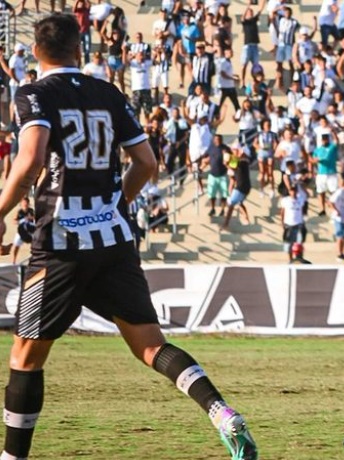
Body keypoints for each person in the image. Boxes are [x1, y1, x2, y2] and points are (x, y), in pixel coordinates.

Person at [0, 14, 257, 460]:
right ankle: (220, 412)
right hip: (114, 240)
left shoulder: (34, 94)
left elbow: (31, 159)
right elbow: (147, 163)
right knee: (151, 346)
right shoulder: (108, 92)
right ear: (80, 49)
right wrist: (115, 205)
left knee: (25, 356)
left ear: (36, 52)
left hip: (63, 242)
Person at [312, 132, 339, 216]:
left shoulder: (332, 147)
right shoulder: (318, 149)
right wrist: (316, 160)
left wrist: (333, 132)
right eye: (323, 140)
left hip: (331, 172)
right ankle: (322, 209)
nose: (324, 141)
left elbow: (336, 141)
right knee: (321, 191)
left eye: (326, 139)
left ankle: (334, 209)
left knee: (333, 191)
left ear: (328, 140)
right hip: (321, 173)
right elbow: (312, 159)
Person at [329, 175, 344, 261]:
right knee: (340, 235)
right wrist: (336, 211)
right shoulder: (340, 192)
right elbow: (331, 202)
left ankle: (342, 252)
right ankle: (339, 253)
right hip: (338, 217)